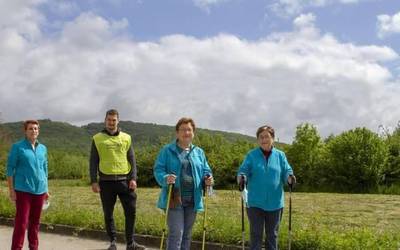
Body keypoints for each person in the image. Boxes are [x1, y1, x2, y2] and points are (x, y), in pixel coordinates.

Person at [154, 117, 214, 250]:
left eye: (189, 130)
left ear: (193, 133)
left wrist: (208, 178)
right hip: (174, 197)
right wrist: (165, 178)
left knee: (187, 234)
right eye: (183, 130)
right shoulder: (167, 150)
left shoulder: (199, 152)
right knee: (177, 233)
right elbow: (158, 169)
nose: (186, 132)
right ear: (177, 133)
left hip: (193, 198)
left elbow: (206, 170)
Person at [89, 109, 144, 250]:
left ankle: (130, 243)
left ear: (118, 121)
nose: (111, 122)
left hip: (125, 181)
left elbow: (132, 159)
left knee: (131, 212)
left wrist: (133, 178)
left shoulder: (126, 138)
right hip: (106, 182)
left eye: (114, 120)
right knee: (108, 213)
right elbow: (93, 161)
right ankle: (113, 242)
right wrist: (94, 181)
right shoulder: (97, 138)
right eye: (109, 119)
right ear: (105, 120)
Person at [237, 125, 296, 250]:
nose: (264, 139)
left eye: (267, 137)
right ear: (258, 140)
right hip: (255, 203)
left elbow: (287, 171)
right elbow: (243, 170)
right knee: (256, 235)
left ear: (272, 138)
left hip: (275, 204)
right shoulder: (251, 155)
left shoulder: (280, 156)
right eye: (261, 137)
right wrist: (242, 177)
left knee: (272, 236)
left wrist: (289, 177)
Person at [6, 120, 49, 250]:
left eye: (36, 128)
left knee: (35, 224)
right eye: (30, 128)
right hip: (23, 191)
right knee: (21, 224)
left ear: (38, 131)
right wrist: (11, 190)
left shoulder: (43, 148)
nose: (33, 131)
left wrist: (46, 189)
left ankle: (34, 247)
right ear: (25, 131)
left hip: (40, 191)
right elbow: (10, 168)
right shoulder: (17, 147)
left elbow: (45, 169)